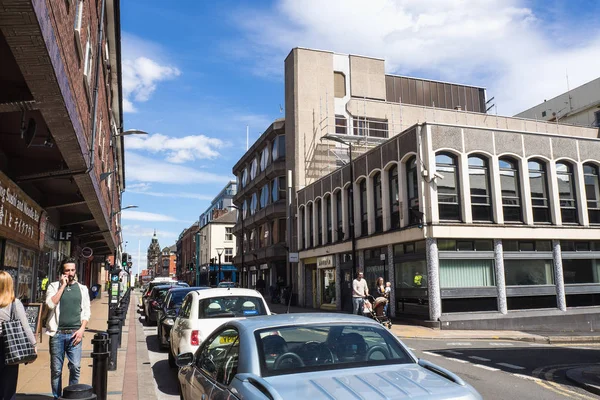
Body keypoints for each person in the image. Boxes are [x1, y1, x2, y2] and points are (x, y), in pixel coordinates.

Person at [45, 258, 91, 399]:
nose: (70, 273)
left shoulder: (82, 289)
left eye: (72, 270)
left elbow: (86, 311)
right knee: (56, 370)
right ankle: (57, 397)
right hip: (57, 334)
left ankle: (72, 396)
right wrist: (62, 287)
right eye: (67, 270)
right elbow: (50, 305)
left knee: (75, 367)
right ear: (62, 272)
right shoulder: (53, 287)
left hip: (75, 334)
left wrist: (82, 329)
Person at [0, 270, 37, 400]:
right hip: (9, 345)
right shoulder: (14, 303)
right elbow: (25, 326)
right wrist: (33, 344)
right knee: (8, 387)